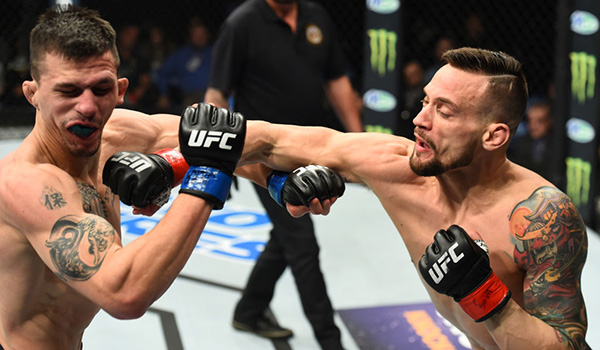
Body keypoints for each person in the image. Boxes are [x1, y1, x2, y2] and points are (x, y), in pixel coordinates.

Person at [0, 6, 341, 350]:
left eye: (100, 89)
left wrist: (276, 181)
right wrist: (209, 175)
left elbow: (212, 141)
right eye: (68, 91)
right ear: (33, 94)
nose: (88, 106)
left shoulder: (114, 133)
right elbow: (124, 292)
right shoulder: (25, 184)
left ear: (120, 90)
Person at [240, 47, 590, 349]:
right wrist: (274, 181)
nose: (420, 120)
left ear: (494, 136)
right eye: (426, 101)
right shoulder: (396, 166)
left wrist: (483, 292)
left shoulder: (542, 216)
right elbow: (266, 142)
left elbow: (565, 345)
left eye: (444, 111)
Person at [204, 0, 362, 348]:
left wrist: (356, 143)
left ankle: (249, 310)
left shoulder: (316, 16)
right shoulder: (242, 23)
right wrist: (220, 158)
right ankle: (330, 340)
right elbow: (217, 94)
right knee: (302, 244)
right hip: (265, 160)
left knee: (287, 237)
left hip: (311, 151)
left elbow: (336, 80)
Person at [156, 16, 213, 113]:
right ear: (190, 36)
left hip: (212, 94)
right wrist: (164, 95)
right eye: (196, 34)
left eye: (202, 34)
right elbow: (163, 73)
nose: (200, 38)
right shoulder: (181, 55)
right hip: (190, 97)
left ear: (207, 35)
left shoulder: (215, 52)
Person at [508, 98, 557, 183]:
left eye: (539, 121)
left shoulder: (557, 145)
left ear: (549, 121)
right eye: (530, 121)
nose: (533, 126)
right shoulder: (521, 143)